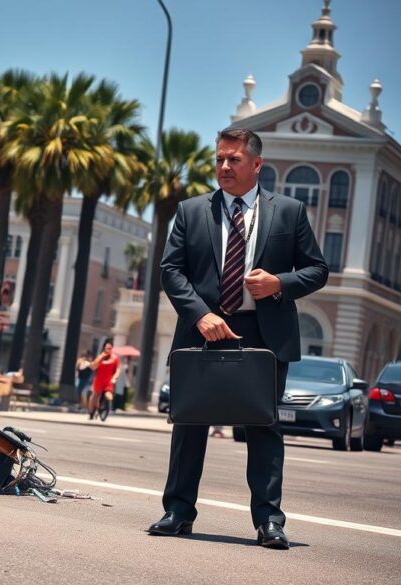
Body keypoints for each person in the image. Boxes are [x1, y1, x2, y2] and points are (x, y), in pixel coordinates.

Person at [147, 128, 328, 550]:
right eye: (220, 159)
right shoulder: (192, 211)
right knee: (190, 423)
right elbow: (170, 271)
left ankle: (269, 522)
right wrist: (201, 314)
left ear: (256, 164)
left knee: (263, 426)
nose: (224, 167)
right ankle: (177, 512)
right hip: (204, 329)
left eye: (234, 160)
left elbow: (316, 270)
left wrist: (278, 283)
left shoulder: (289, 212)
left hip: (263, 334)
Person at [88, 340, 119, 420]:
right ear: (104, 348)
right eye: (107, 348)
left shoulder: (115, 358)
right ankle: (91, 413)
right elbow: (93, 367)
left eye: (110, 348)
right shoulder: (100, 357)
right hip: (99, 379)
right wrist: (100, 359)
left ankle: (106, 406)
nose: (108, 350)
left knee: (109, 394)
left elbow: (118, 369)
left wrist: (115, 377)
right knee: (94, 395)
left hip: (109, 380)